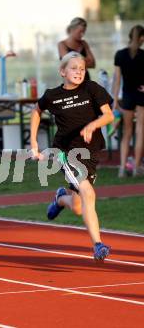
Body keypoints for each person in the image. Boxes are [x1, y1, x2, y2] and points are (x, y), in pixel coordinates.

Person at [30, 51, 114, 261]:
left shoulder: (92, 88)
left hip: (91, 152)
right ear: (62, 71)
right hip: (66, 153)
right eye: (74, 68)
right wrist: (33, 142)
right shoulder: (52, 95)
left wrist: (93, 125)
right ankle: (98, 245)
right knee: (89, 193)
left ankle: (61, 200)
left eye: (82, 68)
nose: (79, 72)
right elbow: (36, 111)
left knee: (78, 206)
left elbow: (109, 115)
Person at [112, 25, 144, 177]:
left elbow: (117, 80)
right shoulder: (143, 55)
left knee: (127, 133)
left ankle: (122, 168)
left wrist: (115, 100)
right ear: (141, 38)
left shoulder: (120, 55)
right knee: (140, 131)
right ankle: (137, 167)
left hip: (127, 95)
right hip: (141, 95)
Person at [58, 17, 96, 81]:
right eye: (80, 32)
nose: (82, 34)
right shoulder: (62, 44)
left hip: (85, 81)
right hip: (71, 82)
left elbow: (93, 64)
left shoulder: (84, 43)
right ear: (72, 29)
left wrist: (75, 59)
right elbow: (69, 63)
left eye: (84, 32)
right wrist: (85, 60)